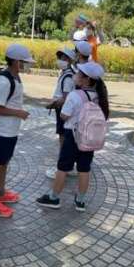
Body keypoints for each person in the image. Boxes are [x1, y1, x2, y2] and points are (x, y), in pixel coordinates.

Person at [36, 62, 109, 212]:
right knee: (84, 169)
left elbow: (64, 115)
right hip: (88, 138)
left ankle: (54, 198)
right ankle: (80, 201)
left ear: (86, 79)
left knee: (63, 167)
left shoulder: (74, 95)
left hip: (72, 136)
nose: (75, 76)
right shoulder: (98, 96)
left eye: (79, 74)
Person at [0, 44, 34, 218]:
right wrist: (18, 113)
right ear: (15, 61)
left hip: (11, 129)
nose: (27, 65)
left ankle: (0, 191)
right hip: (3, 130)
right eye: (24, 62)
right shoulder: (4, 80)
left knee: (4, 161)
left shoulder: (15, 77)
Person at [45, 47, 76, 180]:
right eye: (60, 58)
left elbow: (65, 98)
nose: (60, 60)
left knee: (63, 139)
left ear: (70, 60)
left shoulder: (68, 77)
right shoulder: (67, 73)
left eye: (64, 58)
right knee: (65, 138)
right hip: (63, 110)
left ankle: (63, 168)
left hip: (62, 111)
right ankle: (68, 166)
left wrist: (52, 104)